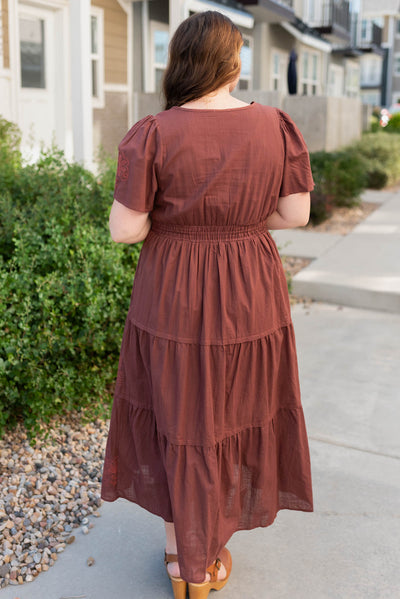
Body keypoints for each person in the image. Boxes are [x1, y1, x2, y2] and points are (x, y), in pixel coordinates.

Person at [100, 10, 314, 599]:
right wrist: (241, 224)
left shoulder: (154, 132)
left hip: (172, 286)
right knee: (234, 407)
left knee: (177, 411)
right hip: (250, 285)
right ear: (234, 60)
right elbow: (296, 215)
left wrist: (181, 221)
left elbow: (125, 230)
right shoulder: (276, 126)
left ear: (181, 61)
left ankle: (180, 558)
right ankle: (213, 545)